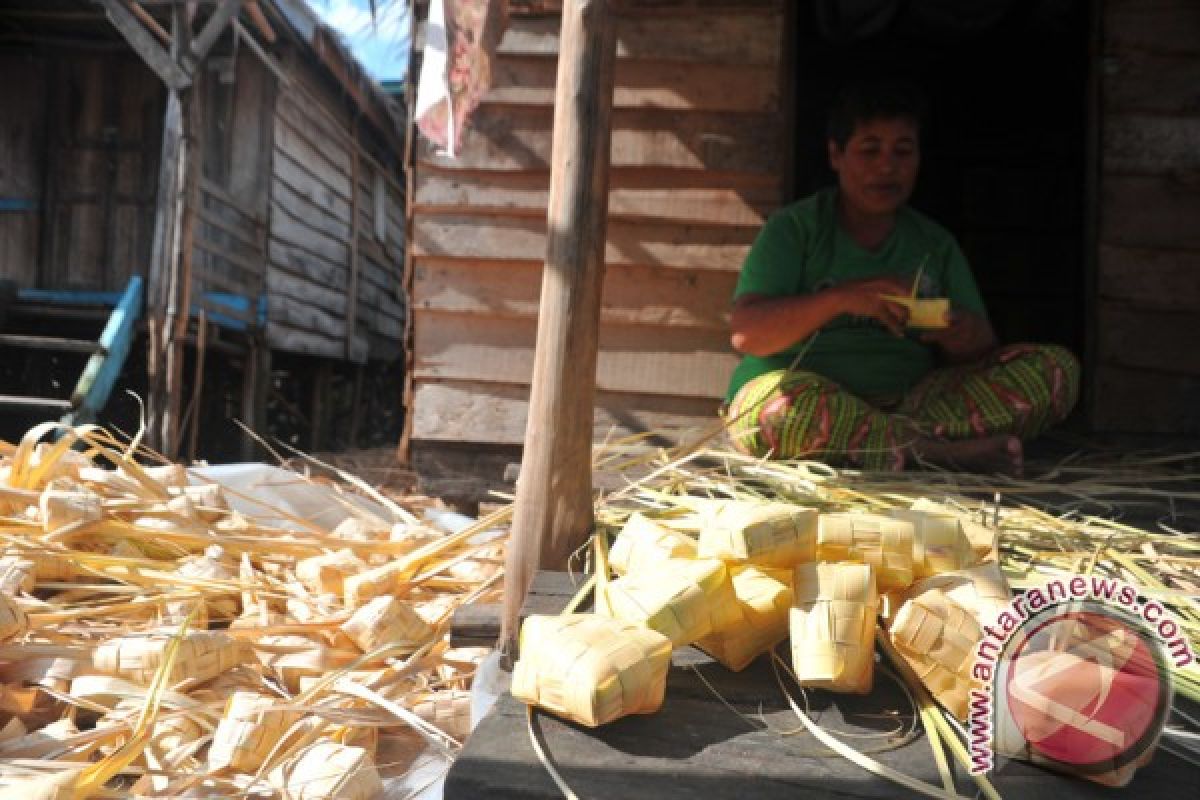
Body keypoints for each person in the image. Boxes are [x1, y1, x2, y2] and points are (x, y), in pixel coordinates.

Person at [723, 80, 1079, 475]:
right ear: (835, 154)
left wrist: (960, 335)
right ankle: (941, 453)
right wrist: (841, 299)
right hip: (809, 397)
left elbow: (983, 354)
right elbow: (747, 334)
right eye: (870, 150)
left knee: (1055, 372)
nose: (887, 167)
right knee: (777, 410)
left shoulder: (934, 243)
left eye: (903, 152)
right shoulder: (794, 230)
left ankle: (888, 443)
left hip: (913, 405)